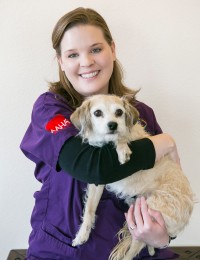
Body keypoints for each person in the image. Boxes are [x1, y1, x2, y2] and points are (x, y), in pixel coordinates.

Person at [20, 7, 179, 260]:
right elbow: (92, 166)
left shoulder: (140, 114)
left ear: (112, 50)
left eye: (96, 49)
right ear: (61, 62)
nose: (86, 62)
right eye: (73, 55)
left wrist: (164, 235)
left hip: (134, 251)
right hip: (63, 252)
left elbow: (163, 188)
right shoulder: (49, 113)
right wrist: (163, 142)